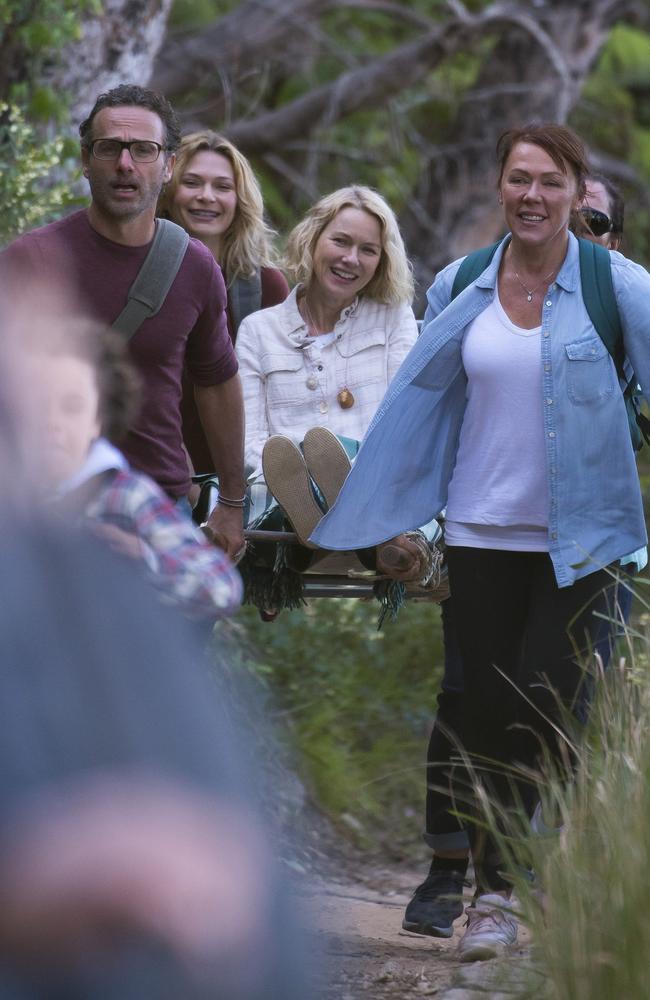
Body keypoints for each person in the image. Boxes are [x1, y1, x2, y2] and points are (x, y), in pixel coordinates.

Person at [311, 124, 650, 960]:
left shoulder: (622, 288)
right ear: (500, 187)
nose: (531, 195)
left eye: (549, 182)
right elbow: (424, 413)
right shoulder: (461, 284)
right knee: (491, 714)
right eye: (518, 179)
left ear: (577, 193)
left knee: (550, 708)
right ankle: (496, 897)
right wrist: (399, 515)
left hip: (587, 539)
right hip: (480, 533)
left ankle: (515, 882)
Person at [0, 84, 246, 561]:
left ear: (169, 164)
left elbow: (217, 383)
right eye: (109, 148)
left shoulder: (193, 267)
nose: (126, 164)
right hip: (45, 515)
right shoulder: (31, 260)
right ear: (86, 159)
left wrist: (233, 502)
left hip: (156, 509)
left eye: (144, 150)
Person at [26, 313, 242, 622]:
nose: (51, 422)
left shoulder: (126, 497)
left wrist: (145, 559)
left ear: (99, 419)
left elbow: (221, 588)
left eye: (72, 407)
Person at [234, 184, 418, 534]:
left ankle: (339, 510)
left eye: (368, 250)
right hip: (282, 496)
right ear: (313, 239)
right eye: (341, 242)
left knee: (369, 473)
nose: (351, 259)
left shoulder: (393, 317)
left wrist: (356, 473)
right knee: (287, 475)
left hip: (373, 480)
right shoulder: (258, 331)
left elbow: (402, 420)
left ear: (382, 260)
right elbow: (249, 443)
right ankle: (320, 516)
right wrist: (286, 477)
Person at [158, 130, 289, 475]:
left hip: (242, 480)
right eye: (192, 182)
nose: (206, 197)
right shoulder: (140, 276)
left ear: (239, 200)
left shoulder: (267, 288)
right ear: (168, 191)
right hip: (156, 470)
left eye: (222, 187)